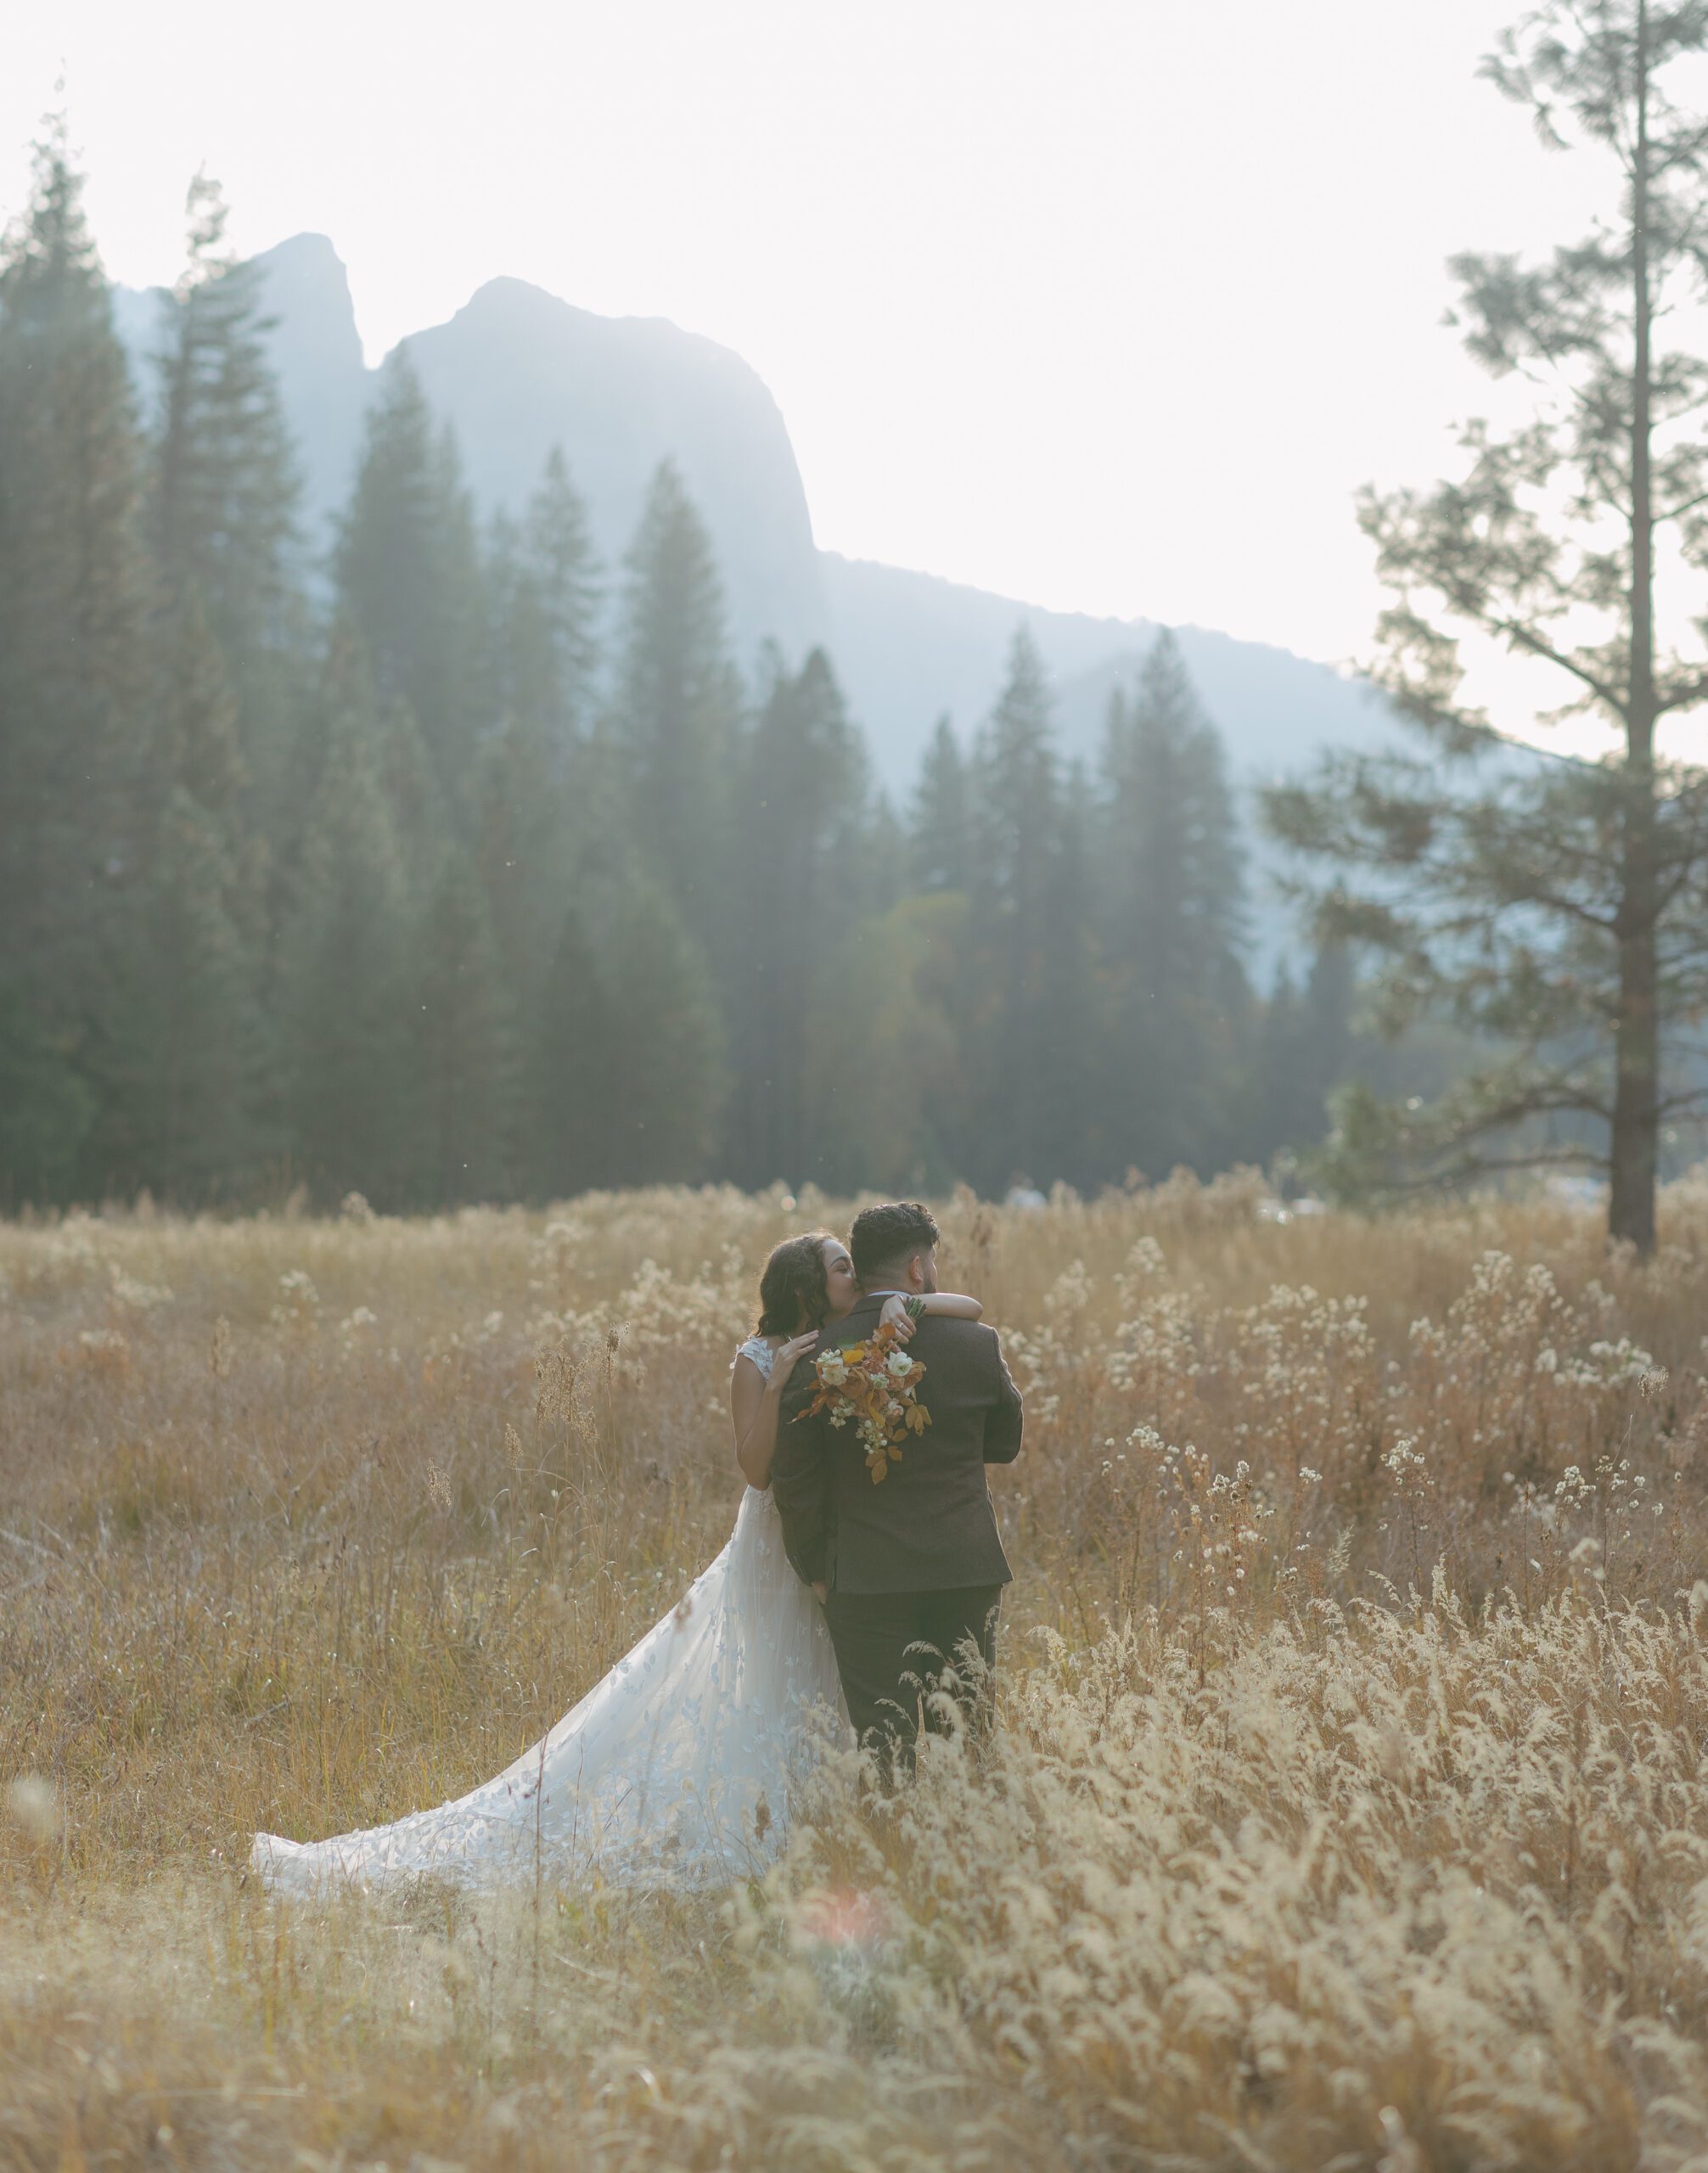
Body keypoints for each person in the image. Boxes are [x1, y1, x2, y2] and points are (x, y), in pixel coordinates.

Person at [250, 1228, 985, 1894]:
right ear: (805, 1286)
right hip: (771, 1539)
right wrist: (784, 1376)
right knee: (767, 1673)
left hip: (833, 1544)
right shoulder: (759, 1358)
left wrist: (906, 1310)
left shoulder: (853, 1335)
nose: (855, 1277)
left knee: (821, 1675)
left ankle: (819, 1816)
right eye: (841, 1267)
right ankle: (760, 1819)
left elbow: (961, 1305)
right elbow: (755, 1469)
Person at [773, 1200, 1024, 1778]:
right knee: (966, 1740)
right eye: (932, 1260)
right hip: (965, 1567)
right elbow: (1005, 1443)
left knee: (884, 1747)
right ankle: (966, 1855)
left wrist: (814, 1565)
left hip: (864, 1577)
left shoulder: (820, 1357)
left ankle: (888, 1855)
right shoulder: (976, 1344)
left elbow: (796, 1481)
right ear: (917, 1269)